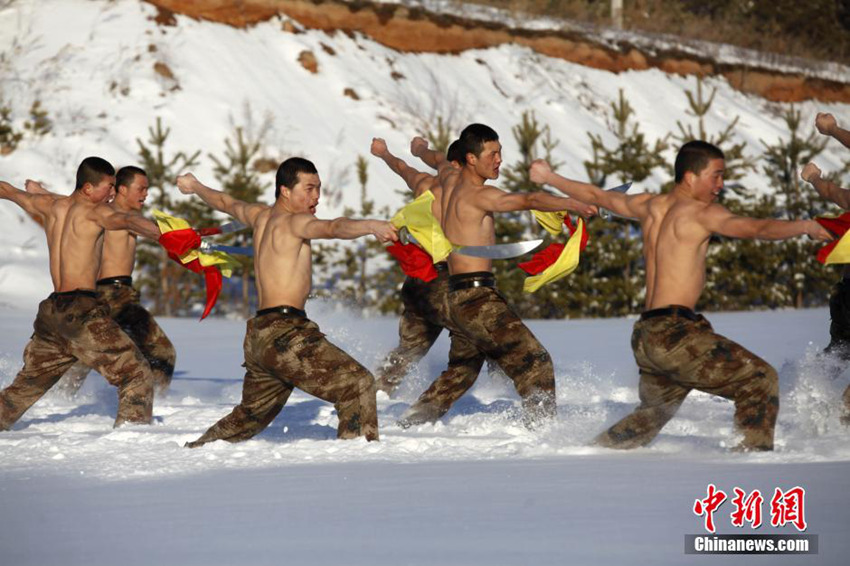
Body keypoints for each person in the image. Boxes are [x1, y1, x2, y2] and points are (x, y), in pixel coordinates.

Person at [531, 140, 831, 451]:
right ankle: (752, 457)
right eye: (715, 175)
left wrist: (550, 177)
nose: (720, 185)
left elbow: (598, 196)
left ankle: (590, 453)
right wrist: (805, 226)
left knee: (650, 416)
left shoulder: (649, 205)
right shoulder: (702, 213)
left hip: (647, 335)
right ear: (690, 177)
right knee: (759, 378)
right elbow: (757, 228)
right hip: (675, 335)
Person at [181, 157, 397, 447]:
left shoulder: (258, 216)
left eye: (318, 188)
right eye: (308, 188)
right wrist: (371, 225)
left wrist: (195, 186)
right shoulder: (296, 221)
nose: (316, 196)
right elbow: (334, 227)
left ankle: (196, 451)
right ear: (285, 190)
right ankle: (357, 465)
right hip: (286, 334)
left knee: (248, 417)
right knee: (357, 385)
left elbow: (225, 202)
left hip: (260, 336)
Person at [400, 124, 596, 428]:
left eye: (500, 153)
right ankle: (544, 432)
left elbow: (438, 158)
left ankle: (412, 421)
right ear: (471, 159)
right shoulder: (478, 195)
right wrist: (571, 203)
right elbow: (528, 200)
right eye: (492, 154)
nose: (499, 160)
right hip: (476, 300)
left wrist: (419, 149)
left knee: (463, 370)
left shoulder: (449, 178)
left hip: (456, 296)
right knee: (535, 362)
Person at [0, 157, 182, 430]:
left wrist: (34, 190)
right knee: (136, 373)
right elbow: (126, 220)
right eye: (109, 186)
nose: (112, 193)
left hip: (52, 313)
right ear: (87, 188)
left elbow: (9, 191)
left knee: (25, 386)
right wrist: (170, 237)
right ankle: (134, 440)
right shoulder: (96, 212)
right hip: (80, 311)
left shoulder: (50, 206)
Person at [27, 167, 176, 397]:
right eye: (141, 188)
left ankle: (61, 395)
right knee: (161, 351)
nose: (146, 194)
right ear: (122, 189)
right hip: (112, 294)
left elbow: (65, 201)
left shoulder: (118, 212)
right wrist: (173, 237)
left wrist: (41, 190)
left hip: (116, 293)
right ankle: (155, 398)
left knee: (86, 354)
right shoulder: (107, 213)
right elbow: (69, 202)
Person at [370, 136, 465, 396]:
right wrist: (421, 149)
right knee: (477, 332)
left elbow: (402, 167)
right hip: (444, 280)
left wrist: (385, 153)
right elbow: (439, 160)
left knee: (410, 347)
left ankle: (379, 390)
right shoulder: (460, 190)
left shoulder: (424, 183)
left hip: (418, 279)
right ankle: (497, 388)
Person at [801, 112, 850, 425]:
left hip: (846, 294)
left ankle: (806, 394)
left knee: (837, 353)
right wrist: (832, 130)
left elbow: (833, 193)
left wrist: (814, 178)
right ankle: (839, 419)